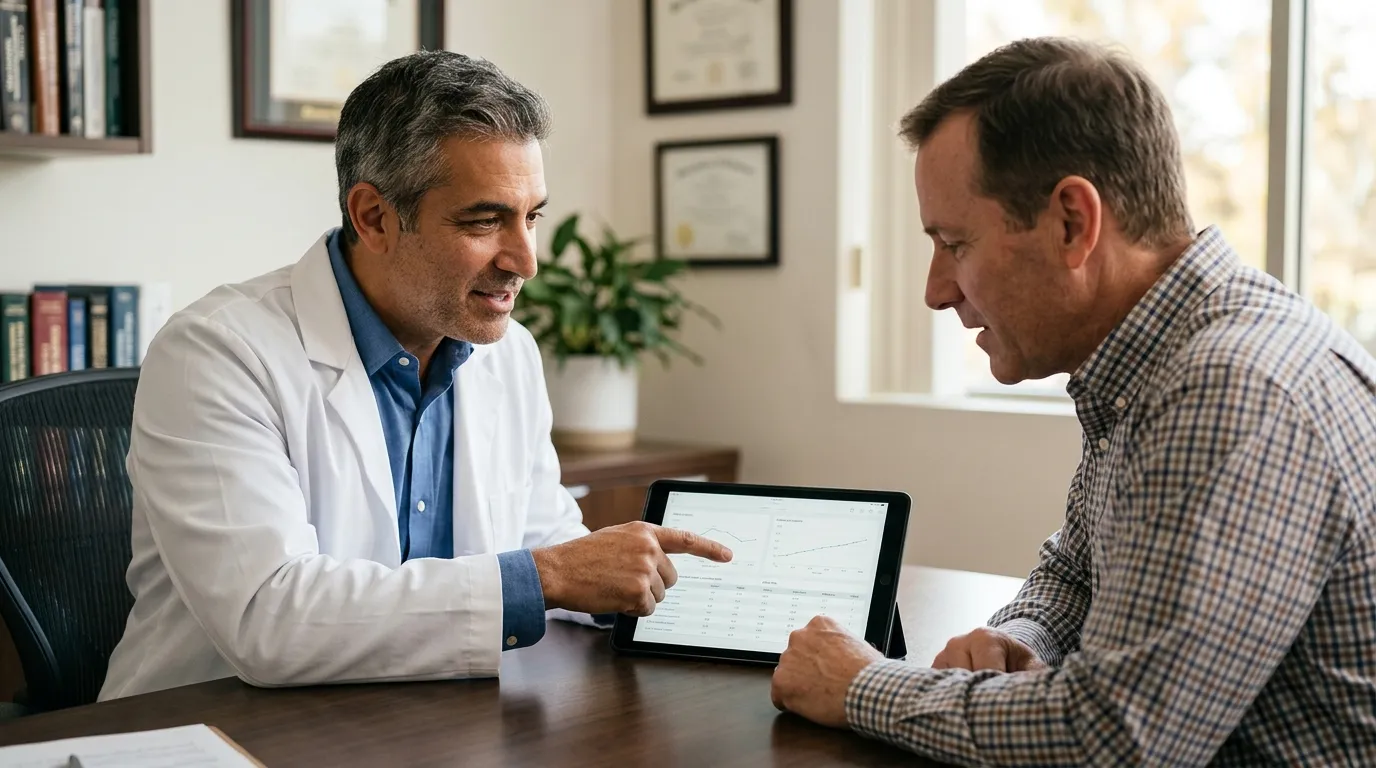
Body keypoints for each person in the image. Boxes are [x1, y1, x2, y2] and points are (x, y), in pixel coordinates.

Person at [771, 36, 1376, 765]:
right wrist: (1021, 637)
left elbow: (1116, 741)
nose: (935, 291)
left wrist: (863, 685)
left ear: (1071, 223)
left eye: (953, 243)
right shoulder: (1156, 355)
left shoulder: (1230, 390)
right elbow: (1077, 572)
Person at [99, 51, 730, 700]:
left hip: (418, 721)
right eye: (485, 220)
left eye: (532, 216)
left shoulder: (507, 354)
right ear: (374, 217)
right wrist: (546, 578)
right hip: (213, 726)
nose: (525, 260)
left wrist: (624, 583)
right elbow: (269, 619)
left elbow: (542, 538)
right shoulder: (217, 353)